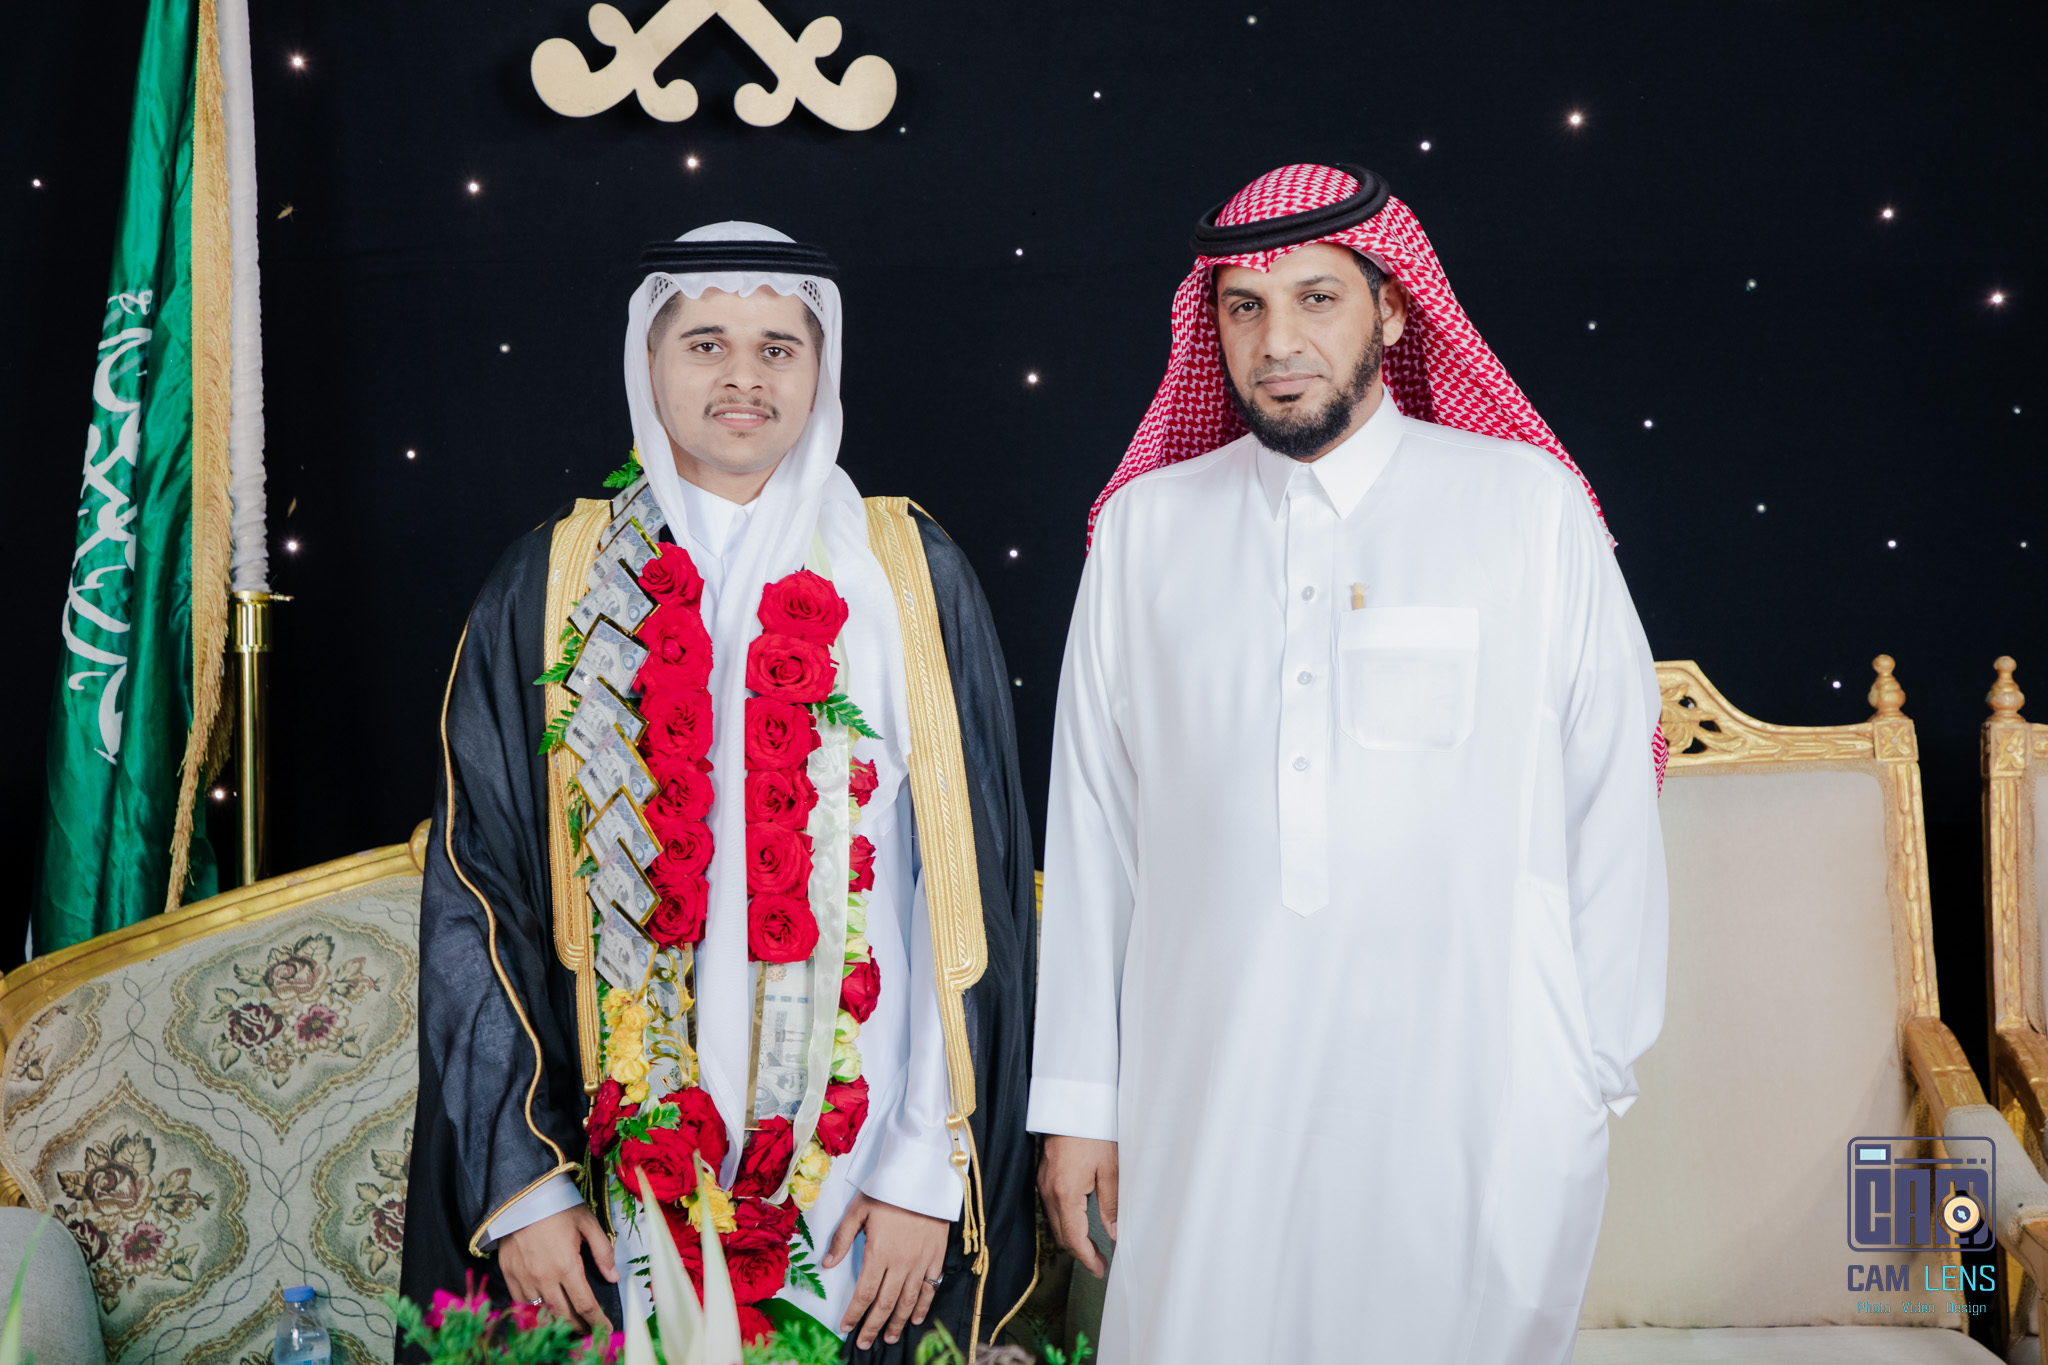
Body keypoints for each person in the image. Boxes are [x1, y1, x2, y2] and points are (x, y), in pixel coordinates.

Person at [1028, 164, 1669, 1364]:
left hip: (1475, 1091)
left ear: (1391, 308)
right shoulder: (1145, 531)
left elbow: (1609, 795)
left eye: (1316, 299)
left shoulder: (1523, 506)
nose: (1278, 342)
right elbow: (1094, 828)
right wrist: (1077, 1104)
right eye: (1244, 307)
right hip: (1206, 1086)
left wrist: (1586, 1070)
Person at [400, 223, 1037, 1362]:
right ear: (649, 363)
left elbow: (967, 894)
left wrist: (922, 1174)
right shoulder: (552, 582)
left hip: (861, 1173)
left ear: (819, 368)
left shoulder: (905, 572)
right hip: (615, 1175)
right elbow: (474, 887)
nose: (743, 376)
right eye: (705, 343)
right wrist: (526, 1180)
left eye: (777, 347)